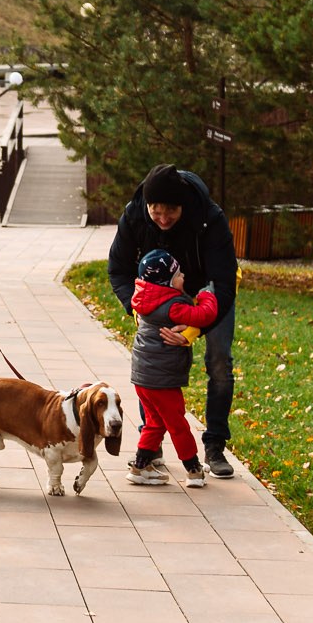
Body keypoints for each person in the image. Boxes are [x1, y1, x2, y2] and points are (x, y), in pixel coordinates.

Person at [106, 163, 240, 478]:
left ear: (183, 206)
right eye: (156, 212)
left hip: (208, 293)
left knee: (219, 362)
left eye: (171, 212)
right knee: (151, 366)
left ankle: (215, 445)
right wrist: (137, 310)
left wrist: (196, 327)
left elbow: (224, 281)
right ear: (147, 205)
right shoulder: (135, 215)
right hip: (158, 302)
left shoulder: (209, 218)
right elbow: (118, 268)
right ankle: (150, 449)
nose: (163, 219)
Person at [125, 250, 220, 487]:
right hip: (161, 378)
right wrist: (207, 295)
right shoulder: (172, 306)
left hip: (142, 375)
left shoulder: (145, 299)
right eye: (178, 274)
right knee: (177, 423)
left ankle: (140, 467)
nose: (183, 276)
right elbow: (204, 315)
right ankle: (194, 470)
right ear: (167, 282)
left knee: (155, 422)